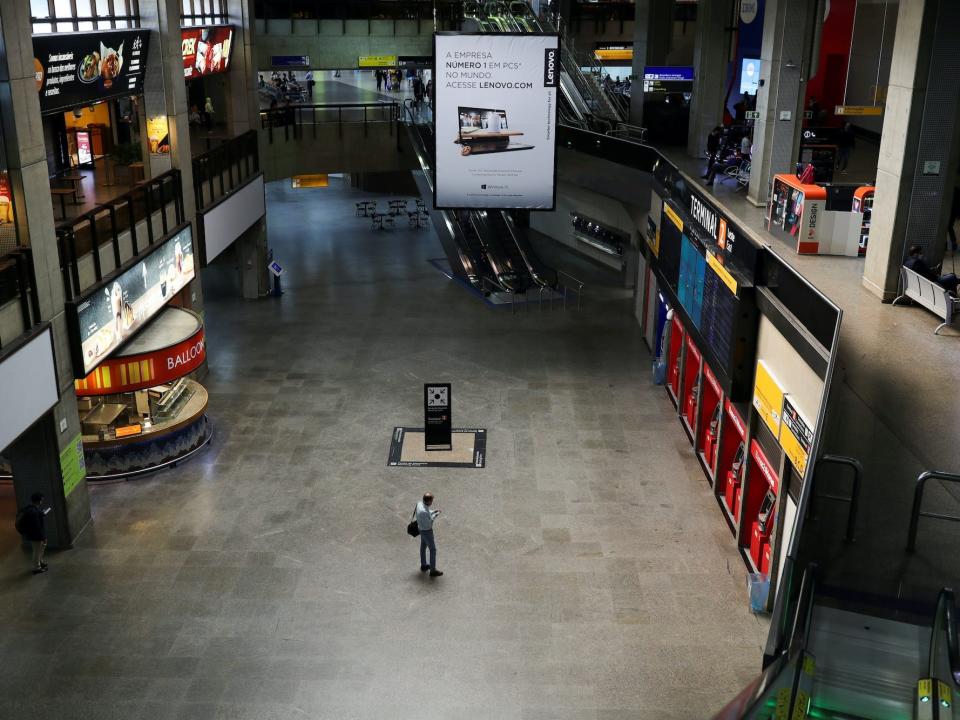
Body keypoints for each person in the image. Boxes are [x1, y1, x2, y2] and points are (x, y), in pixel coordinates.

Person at [16, 493, 48, 575]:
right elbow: (36, 527)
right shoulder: (33, 512)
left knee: (40, 548)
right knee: (36, 551)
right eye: (41, 500)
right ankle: (36, 568)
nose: (42, 501)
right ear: (39, 501)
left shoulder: (30, 508)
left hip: (32, 534)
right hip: (35, 535)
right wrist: (42, 537)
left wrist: (41, 514)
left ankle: (40, 562)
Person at [412, 492, 442, 577]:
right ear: (428, 502)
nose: (432, 503)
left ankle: (424, 565)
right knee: (433, 550)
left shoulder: (419, 503)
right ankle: (433, 571)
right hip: (427, 531)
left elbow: (427, 511)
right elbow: (429, 523)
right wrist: (436, 514)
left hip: (420, 529)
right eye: (431, 501)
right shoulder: (424, 512)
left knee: (423, 546)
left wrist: (433, 511)